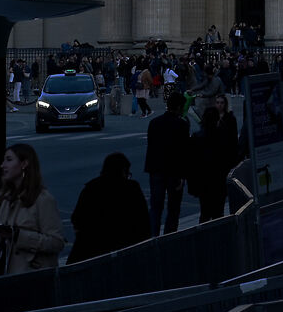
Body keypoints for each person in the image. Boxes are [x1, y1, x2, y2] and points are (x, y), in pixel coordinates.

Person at [0, 143, 66, 279]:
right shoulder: (1, 198)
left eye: (9, 160)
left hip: (27, 276)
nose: (3, 165)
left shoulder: (42, 199)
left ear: (24, 164)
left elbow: (56, 242)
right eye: (4, 160)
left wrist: (18, 235)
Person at [68, 152, 152, 263]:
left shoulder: (91, 188)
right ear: (123, 171)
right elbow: (143, 222)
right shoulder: (131, 188)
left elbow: (77, 218)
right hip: (126, 250)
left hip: (91, 252)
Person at [143, 90, 191, 235]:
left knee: (156, 208)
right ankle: (169, 236)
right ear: (178, 107)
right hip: (173, 172)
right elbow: (183, 152)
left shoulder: (154, 123)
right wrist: (183, 175)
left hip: (156, 169)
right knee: (173, 208)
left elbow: (151, 145)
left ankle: (153, 237)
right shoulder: (181, 125)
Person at [188, 95, 240, 224]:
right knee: (218, 212)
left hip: (204, 180)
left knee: (205, 213)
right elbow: (229, 156)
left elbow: (191, 162)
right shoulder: (222, 136)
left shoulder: (197, 137)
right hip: (218, 179)